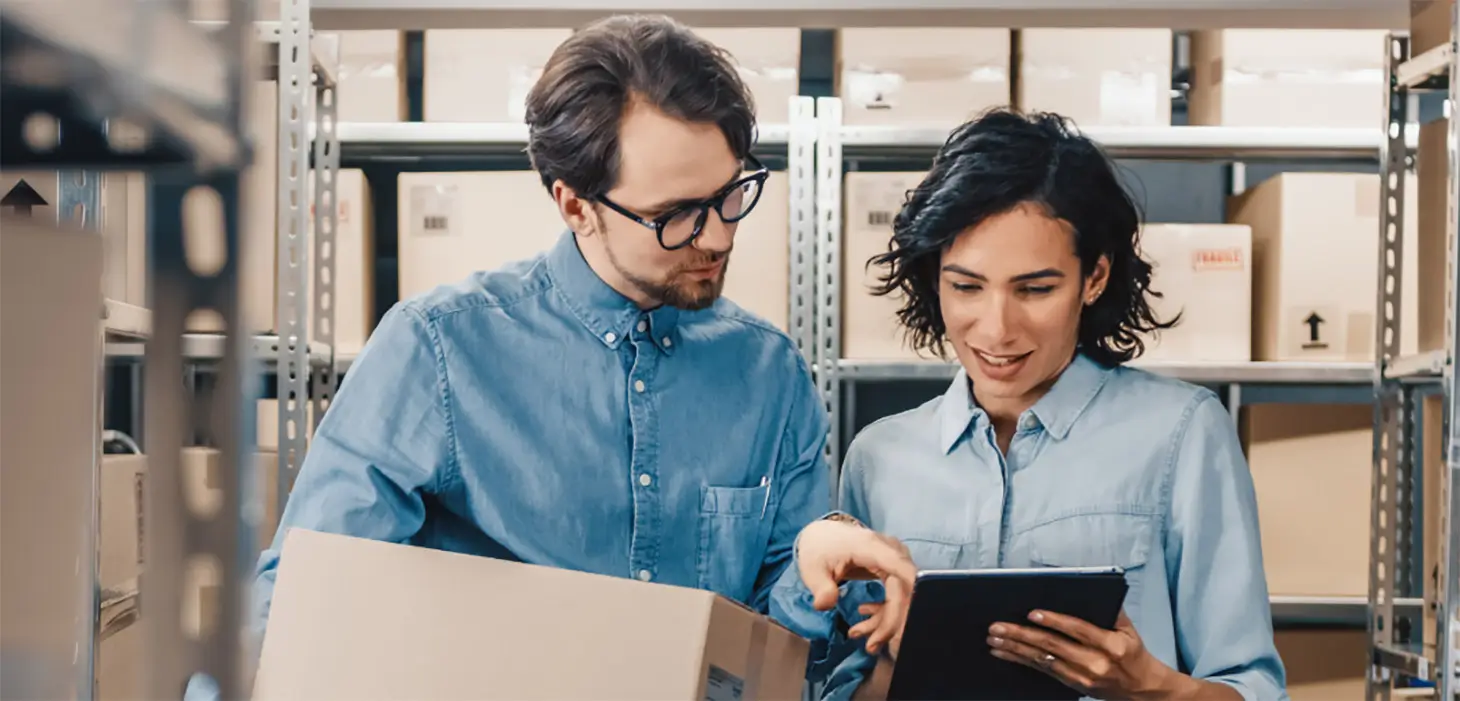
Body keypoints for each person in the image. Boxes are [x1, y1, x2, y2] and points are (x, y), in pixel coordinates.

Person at [235, 10, 914, 678]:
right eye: (674, 215)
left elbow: (776, 652)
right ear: (575, 205)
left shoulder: (771, 375)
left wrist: (810, 567)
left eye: (731, 193)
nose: (718, 236)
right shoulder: (437, 351)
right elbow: (300, 603)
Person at [769, 108, 1288, 701]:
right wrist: (895, 659)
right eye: (965, 286)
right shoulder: (878, 457)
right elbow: (841, 687)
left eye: (1035, 289)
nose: (997, 329)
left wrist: (1151, 688)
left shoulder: (1182, 434)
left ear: (1093, 277)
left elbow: (1253, 688)